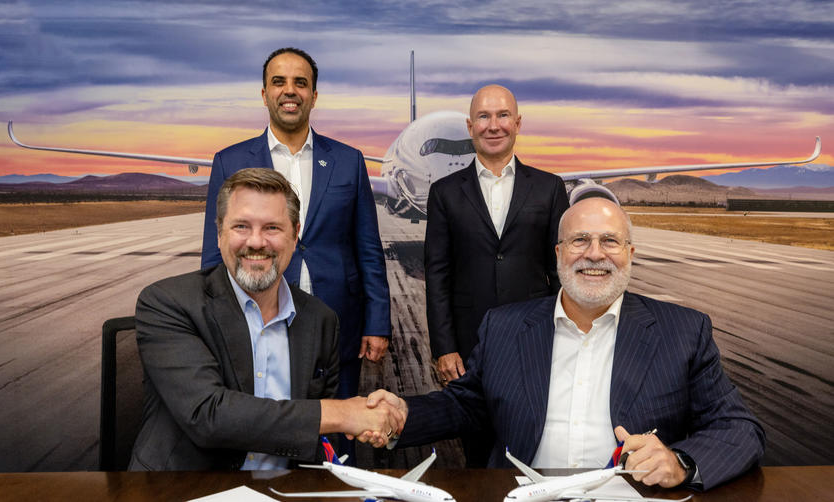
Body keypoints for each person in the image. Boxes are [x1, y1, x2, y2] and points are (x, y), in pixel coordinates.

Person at [368, 197, 765, 490]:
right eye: (580, 241)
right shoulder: (505, 327)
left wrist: (680, 462)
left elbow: (740, 429)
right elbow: (467, 405)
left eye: (610, 240)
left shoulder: (683, 331)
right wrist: (400, 414)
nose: (595, 254)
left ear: (630, 253)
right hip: (524, 495)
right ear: (558, 254)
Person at [130, 169, 398, 471]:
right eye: (241, 226)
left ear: (295, 236)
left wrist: (375, 419)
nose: (256, 242)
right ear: (219, 234)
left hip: (289, 490)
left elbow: (322, 443)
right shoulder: (168, 303)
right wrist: (343, 414)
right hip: (186, 489)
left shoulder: (321, 321)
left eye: (272, 228)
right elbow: (208, 415)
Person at [200, 48, 391, 404]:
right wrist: (213, 323)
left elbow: (368, 248)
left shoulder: (348, 161)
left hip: (337, 319)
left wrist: (377, 322)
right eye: (279, 82)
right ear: (264, 94)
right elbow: (215, 252)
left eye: (300, 83)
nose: (290, 91)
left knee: (337, 428)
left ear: (314, 96)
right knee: (267, 420)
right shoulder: (230, 161)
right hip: (255, 319)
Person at [424, 84, 568, 465]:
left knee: (536, 448)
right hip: (470, 347)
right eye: (484, 117)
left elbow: (562, 272)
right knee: (477, 453)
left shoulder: (550, 189)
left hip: (537, 341)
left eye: (502, 115)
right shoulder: (444, 193)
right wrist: (444, 347)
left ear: (517, 123)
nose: (494, 125)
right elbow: (437, 274)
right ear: (470, 127)